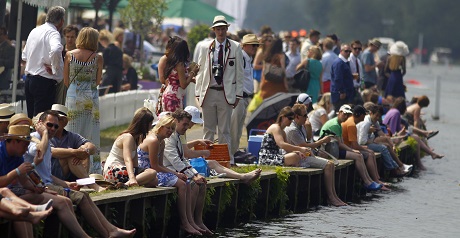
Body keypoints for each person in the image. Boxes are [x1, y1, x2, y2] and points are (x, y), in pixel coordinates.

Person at [23, 111, 137, 237]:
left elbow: (48, 175)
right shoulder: (34, 139)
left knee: (85, 196)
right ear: (40, 124)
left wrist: (67, 183)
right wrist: (71, 151)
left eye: (56, 125)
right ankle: (106, 233)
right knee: (79, 197)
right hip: (41, 185)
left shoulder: (63, 137)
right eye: (50, 125)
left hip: (50, 182)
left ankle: (111, 230)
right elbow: (40, 152)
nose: (53, 128)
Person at [138, 114, 203, 235]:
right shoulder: (153, 140)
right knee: (182, 184)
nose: (170, 131)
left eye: (172, 129)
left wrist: (177, 174)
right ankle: (185, 222)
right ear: (160, 126)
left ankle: (190, 220)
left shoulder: (161, 142)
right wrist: (176, 174)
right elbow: (154, 166)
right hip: (146, 172)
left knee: (187, 183)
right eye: (168, 128)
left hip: (155, 170)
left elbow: (160, 164)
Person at [195, 15, 244, 165]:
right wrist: (198, 93)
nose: (221, 32)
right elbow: (200, 71)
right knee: (208, 129)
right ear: (214, 30)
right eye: (218, 29)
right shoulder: (206, 47)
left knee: (224, 130)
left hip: (225, 92)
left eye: (223, 29)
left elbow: (239, 72)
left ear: (227, 29)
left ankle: (224, 160)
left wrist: (238, 95)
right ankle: (206, 160)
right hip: (209, 91)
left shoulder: (235, 47)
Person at [284, 104, 346, 206]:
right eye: (305, 116)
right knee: (328, 165)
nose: (307, 118)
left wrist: (309, 128)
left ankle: (334, 196)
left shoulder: (301, 126)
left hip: (304, 155)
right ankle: (331, 197)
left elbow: (308, 143)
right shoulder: (292, 130)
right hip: (298, 159)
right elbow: (303, 146)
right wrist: (322, 141)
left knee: (331, 164)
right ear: (297, 116)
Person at [181, 106, 261, 182]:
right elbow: (186, 152)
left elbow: (182, 147)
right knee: (211, 163)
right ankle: (243, 177)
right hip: (180, 166)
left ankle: (242, 176)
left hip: (182, 163)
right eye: (193, 122)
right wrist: (203, 152)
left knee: (213, 162)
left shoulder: (181, 130)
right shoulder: (180, 131)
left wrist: (197, 141)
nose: (193, 125)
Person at [63, 27, 102, 174]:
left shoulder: (69, 55)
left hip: (73, 97)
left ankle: (69, 165)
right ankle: (91, 168)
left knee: (71, 130)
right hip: (90, 98)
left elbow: (66, 81)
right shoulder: (97, 57)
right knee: (89, 132)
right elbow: (97, 81)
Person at [319, 105, 382, 191]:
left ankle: (371, 181)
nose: (346, 116)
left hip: (335, 149)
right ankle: (368, 182)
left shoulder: (339, 123)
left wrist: (354, 150)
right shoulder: (340, 124)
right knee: (359, 156)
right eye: (345, 114)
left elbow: (341, 143)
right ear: (340, 112)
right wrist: (353, 150)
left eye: (348, 114)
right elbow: (342, 145)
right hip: (331, 152)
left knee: (362, 154)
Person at [47, 104, 104, 192]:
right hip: (52, 172)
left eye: (58, 120)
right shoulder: (47, 136)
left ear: (64, 122)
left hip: (69, 171)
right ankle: (92, 185)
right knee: (70, 155)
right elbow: (52, 151)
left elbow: (92, 147)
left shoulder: (71, 136)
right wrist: (74, 152)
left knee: (85, 153)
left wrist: (85, 150)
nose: (55, 123)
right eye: (52, 122)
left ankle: (83, 183)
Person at [22, 6, 65, 118]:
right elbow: (56, 49)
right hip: (43, 81)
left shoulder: (35, 30)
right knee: (42, 120)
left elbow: (24, 55)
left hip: (30, 79)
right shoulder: (53, 33)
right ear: (61, 21)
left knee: (33, 118)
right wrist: (55, 68)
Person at [382, 97, 443, 170]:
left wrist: (404, 131)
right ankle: (420, 162)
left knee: (414, 135)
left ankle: (428, 155)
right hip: (390, 136)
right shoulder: (396, 113)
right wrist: (400, 134)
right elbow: (392, 130)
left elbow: (399, 128)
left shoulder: (393, 110)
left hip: (390, 134)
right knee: (416, 138)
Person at [103, 107, 158, 187]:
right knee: (152, 172)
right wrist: (132, 178)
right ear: (144, 124)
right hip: (113, 170)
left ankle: (125, 185)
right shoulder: (128, 137)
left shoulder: (136, 139)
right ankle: (126, 185)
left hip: (125, 171)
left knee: (154, 181)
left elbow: (135, 164)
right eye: (150, 123)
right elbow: (127, 159)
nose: (151, 126)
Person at [357, 103, 413, 175]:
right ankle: (393, 170)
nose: (377, 118)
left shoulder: (375, 121)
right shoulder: (366, 123)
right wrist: (373, 141)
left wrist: (392, 144)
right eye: (376, 115)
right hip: (361, 144)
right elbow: (362, 141)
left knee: (387, 146)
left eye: (379, 116)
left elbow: (382, 133)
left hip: (368, 141)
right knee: (383, 148)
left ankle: (400, 166)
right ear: (371, 113)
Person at [230, 34, 259, 155]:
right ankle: (231, 154)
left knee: (238, 128)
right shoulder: (241, 57)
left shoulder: (248, 58)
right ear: (245, 45)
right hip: (239, 96)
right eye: (253, 45)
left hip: (245, 97)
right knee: (234, 127)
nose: (255, 48)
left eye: (256, 45)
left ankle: (234, 152)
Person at [160, 36, 199, 112]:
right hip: (174, 97)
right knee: (175, 122)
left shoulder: (171, 62)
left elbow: (176, 78)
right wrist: (192, 72)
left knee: (169, 121)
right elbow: (183, 84)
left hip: (169, 94)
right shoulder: (180, 64)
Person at [56, 25, 80, 105]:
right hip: (60, 84)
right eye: (68, 36)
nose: (70, 39)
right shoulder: (60, 51)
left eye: (72, 37)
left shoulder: (79, 53)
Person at [330, 44, 355, 111]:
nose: (348, 53)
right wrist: (341, 91)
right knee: (340, 113)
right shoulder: (339, 63)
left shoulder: (344, 62)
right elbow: (338, 78)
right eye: (346, 51)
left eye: (350, 51)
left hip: (346, 93)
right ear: (341, 51)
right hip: (340, 95)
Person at [99, 29, 123, 95]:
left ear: (103, 41)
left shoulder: (107, 50)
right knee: (115, 93)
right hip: (118, 74)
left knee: (102, 91)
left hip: (110, 72)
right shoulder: (119, 50)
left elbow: (103, 63)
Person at [348, 40, 364, 105]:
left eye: (359, 49)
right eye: (355, 48)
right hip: (351, 88)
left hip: (357, 89)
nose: (357, 50)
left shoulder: (358, 61)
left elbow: (361, 75)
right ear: (351, 48)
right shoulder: (348, 60)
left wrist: (362, 83)